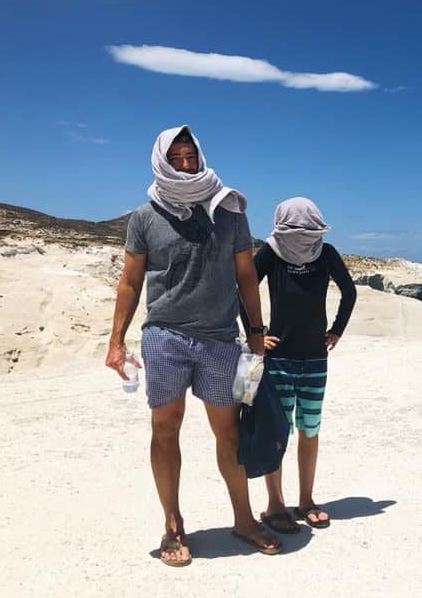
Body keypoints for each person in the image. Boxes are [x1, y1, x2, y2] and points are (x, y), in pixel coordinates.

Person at [105, 126, 281, 567]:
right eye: (177, 158)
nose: (186, 165)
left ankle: (243, 518)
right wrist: (116, 341)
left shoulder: (230, 211)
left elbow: (245, 275)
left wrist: (257, 332)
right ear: (162, 162)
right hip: (165, 335)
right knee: (165, 428)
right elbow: (130, 282)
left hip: (220, 337)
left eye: (191, 156)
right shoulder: (145, 217)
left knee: (229, 430)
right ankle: (172, 525)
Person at [244, 197, 357, 534]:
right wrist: (257, 336)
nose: (303, 234)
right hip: (277, 359)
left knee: (310, 429)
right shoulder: (271, 251)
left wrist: (337, 330)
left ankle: (306, 500)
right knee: (278, 433)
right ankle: (275, 505)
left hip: (315, 358)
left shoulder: (326, 252)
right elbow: (244, 288)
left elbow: (349, 292)